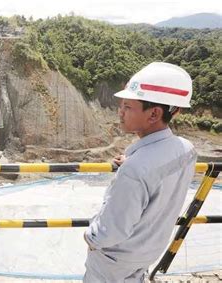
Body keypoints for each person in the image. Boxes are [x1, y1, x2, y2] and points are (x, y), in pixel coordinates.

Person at [83, 62, 197, 283]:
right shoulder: (186, 149)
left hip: (112, 265)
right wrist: (134, 161)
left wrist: (90, 237)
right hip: (147, 254)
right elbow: (158, 174)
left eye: (127, 106)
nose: (120, 112)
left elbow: (110, 232)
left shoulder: (134, 171)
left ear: (154, 113)